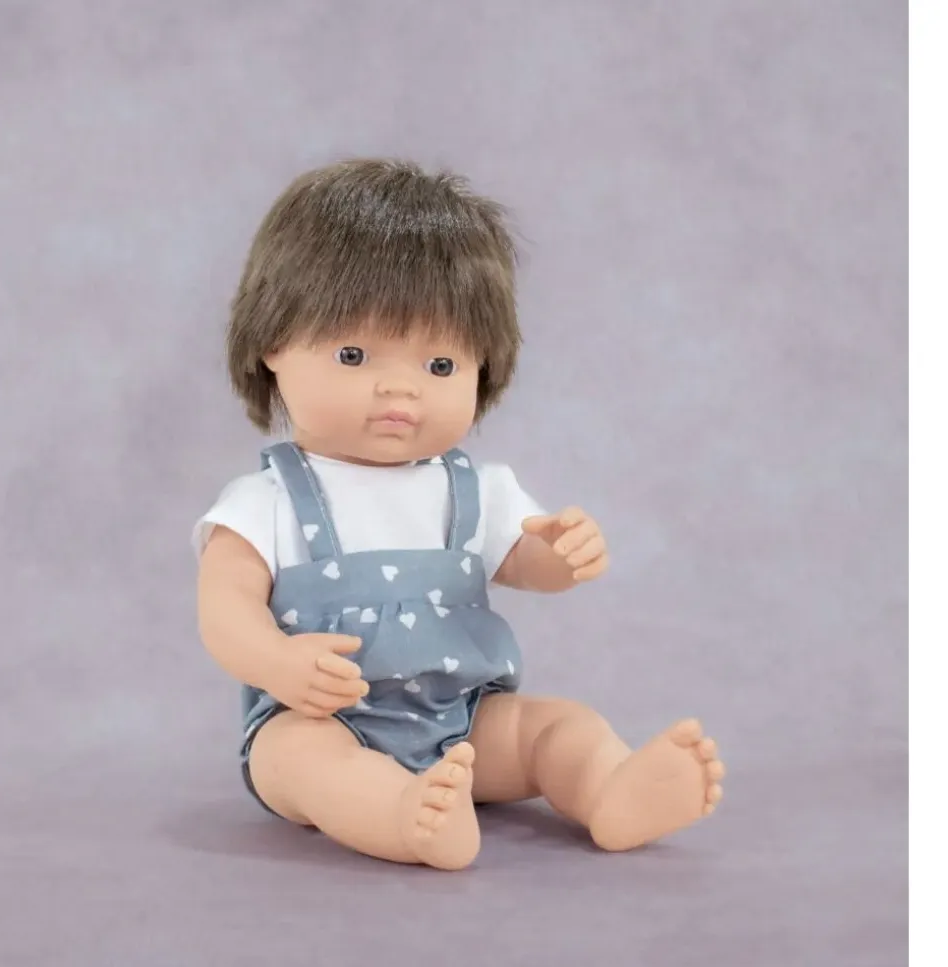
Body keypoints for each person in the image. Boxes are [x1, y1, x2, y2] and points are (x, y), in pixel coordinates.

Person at [193, 158, 724, 870]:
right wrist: (276, 662)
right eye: (354, 353)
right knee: (302, 761)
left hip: (465, 721)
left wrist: (562, 555)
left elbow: (524, 561)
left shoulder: (476, 488)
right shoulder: (268, 499)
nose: (400, 389)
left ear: (483, 368)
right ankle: (400, 816)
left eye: (439, 366)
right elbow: (224, 608)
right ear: (273, 346)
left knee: (557, 728)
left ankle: (610, 789)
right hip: (322, 717)